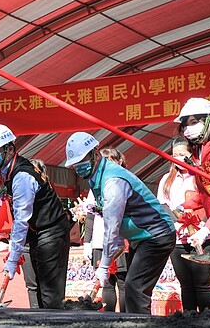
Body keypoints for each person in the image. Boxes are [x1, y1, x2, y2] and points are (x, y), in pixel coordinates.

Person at [65, 132, 175, 314]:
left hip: (156, 235)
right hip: (140, 236)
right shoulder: (96, 176)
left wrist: (104, 266)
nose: (79, 167)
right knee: (135, 287)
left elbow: (111, 227)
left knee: (135, 287)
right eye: (75, 164)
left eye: (82, 160)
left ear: (95, 153)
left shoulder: (113, 181)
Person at [0, 125, 70, 309]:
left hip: (51, 230)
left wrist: (13, 258)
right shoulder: (10, 172)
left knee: (49, 292)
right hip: (37, 232)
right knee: (35, 287)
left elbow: (21, 220)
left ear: (10, 149)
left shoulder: (22, 175)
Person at [173, 97, 210, 295]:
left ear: (209, 121)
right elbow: (207, 193)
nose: (188, 129)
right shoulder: (202, 153)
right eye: (185, 124)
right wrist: (184, 206)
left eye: (193, 122)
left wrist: (206, 229)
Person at [157, 136, 210, 312]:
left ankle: (207, 321)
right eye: (175, 155)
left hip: (204, 237)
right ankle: (189, 321)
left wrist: (202, 228)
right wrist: (176, 221)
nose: (179, 159)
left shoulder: (203, 176)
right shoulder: (166, 179)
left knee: (202, 283)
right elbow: (163, 206)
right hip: (178, 241)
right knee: (186, 285)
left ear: (192, 154)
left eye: (183, 154)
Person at [83, 148, 128, 312]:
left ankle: (126, 318)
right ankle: (108, 318)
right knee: (106, 283)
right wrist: (87, 242)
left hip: (121, 240)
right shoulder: (94, 185)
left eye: (109, 160)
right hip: (100, 239)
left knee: (123, 281)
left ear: (119, 161)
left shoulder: (123, 181)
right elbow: (89, 215)